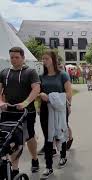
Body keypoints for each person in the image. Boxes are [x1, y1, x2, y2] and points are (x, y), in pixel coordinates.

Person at [0, 47, 40, 177]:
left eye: (17, 57)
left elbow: (36, 89)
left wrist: (25, 103)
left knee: (29, 137)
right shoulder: (4, 72)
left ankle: (34, 158)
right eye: (12, 57)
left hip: (26, 111)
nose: (14, 60)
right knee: (11, 139)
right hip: (9, 111)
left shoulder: (30, 72)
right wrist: (1, 103)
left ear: (23, 58)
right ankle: (15, 168)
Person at [39, 50, 72, 178]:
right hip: (45, 110)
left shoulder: (63, 75)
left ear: (53, 60)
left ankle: (63, 156)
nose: (44, 61)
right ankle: (48, 166)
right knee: (48, 137)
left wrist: (52, 98)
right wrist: (40, 100)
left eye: (46, 58)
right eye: (43, 59)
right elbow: (39, 94)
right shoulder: (41, 77)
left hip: (60, 109)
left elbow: (69, 94)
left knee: (61, 132)